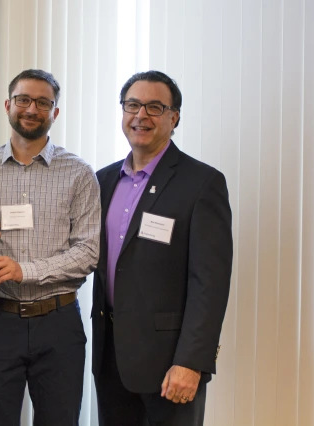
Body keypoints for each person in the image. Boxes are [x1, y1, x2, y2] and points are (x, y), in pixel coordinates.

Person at [0, 69, 100, 425]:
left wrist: (27, 270)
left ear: (55, 112)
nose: (32, 109)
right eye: (23, 100)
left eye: (43, 102)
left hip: (58, 323)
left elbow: (88, 251)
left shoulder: (80, 174)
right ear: (8, 105)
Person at [92, 70, 233, 426]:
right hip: (110, 357)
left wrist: (191, 362)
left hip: (170, 363)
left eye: (155, 107)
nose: (141, 115)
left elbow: (210, 285)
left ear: (175, 117)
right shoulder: (102, 180)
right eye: (133, 105)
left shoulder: (202, 183)